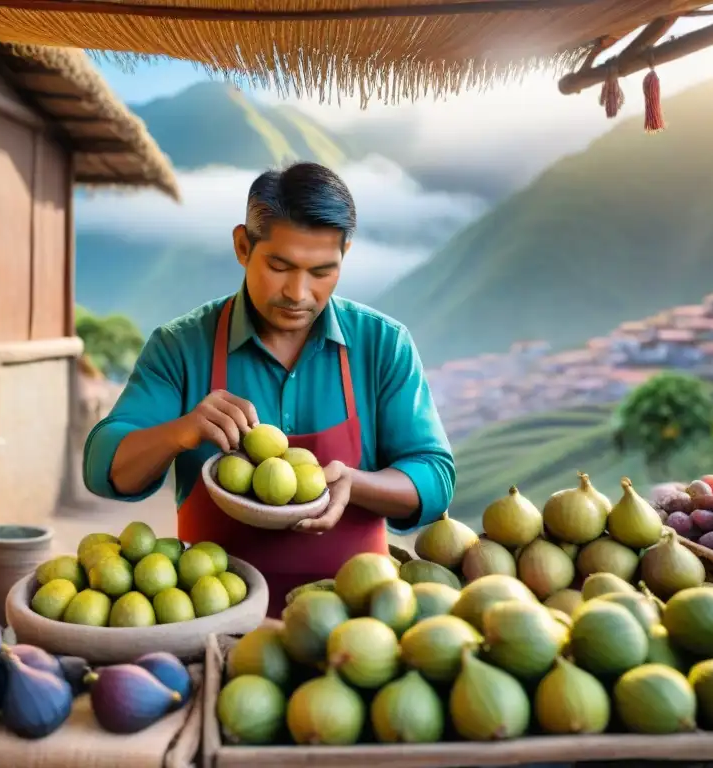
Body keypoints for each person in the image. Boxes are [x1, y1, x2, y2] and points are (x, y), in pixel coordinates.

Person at [84, 161, 456, 617]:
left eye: (322, 271)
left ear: (346, 255)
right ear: (243, 246)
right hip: (214, 617)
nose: (299, 293)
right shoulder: (181, 346)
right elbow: (105, 466)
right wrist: (181, 431)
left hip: (357, 621)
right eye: (279, 266)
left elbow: (434, 478)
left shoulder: (382, 344)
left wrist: (353, 484)